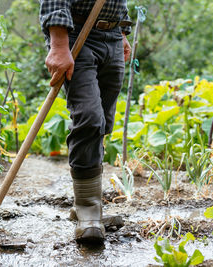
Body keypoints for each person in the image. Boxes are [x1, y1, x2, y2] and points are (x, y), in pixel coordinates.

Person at [39, 0, 132, 243]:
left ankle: (87, 207)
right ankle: (88, 211)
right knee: (89, 119)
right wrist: (59, 43)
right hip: (77, 36)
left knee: (102, 124)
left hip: (111, 36)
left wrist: (120, 30)